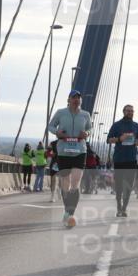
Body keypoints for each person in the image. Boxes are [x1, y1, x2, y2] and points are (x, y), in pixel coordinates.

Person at [48, 90, 93, 228]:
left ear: (80, 101)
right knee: (65, 183)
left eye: (78, 98)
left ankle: (70, 213)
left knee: (75, 183)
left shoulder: (85, 115)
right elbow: (50, 126)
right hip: (64, 152)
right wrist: (57, 132)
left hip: (80, 151)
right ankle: (67, 210)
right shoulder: (61, 113)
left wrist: (87, 133)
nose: (76, 100)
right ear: (68, 100)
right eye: (73, 97)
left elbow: (90, 129)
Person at [106, 104, 138, 217]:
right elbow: (108, 140)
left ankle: (124, 208)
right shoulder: (116, 125)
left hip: (131, 159)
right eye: (128, 111)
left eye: (132, 111)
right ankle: (118, 206)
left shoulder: (136, 125)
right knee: (119, 185)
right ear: (123, 111)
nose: (130, 112)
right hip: (119, 159)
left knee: (129, 185)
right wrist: (120, 139)